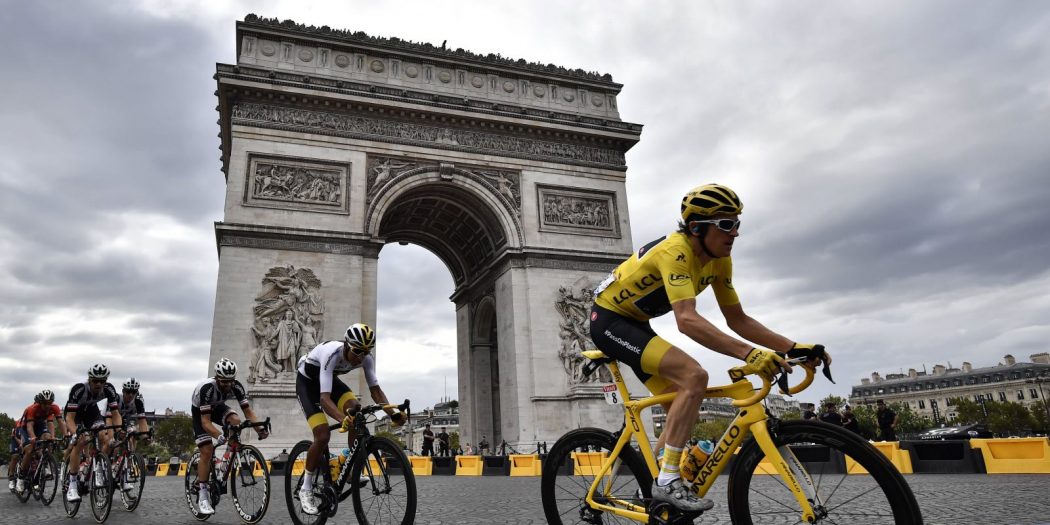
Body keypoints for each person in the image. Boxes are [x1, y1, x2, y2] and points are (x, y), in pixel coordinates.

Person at [589, 183, 830, 513]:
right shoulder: (675, 252)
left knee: (682, 395)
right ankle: (668, 481)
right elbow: (686, 321)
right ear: (697, 228)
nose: (736, 233)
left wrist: (793, 347)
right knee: (694, 375)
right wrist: (750, 353)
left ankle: (655, 484)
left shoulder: (719, 261)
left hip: (638, 323)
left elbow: (738, 319)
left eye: (737, 224)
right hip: (609, 320)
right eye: (726, 225)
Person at [294, 323, 405, 516]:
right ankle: (306, 487)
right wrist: (342, 418)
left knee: (356, 411)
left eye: (365, 352)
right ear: (346, 345)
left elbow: (376, 391)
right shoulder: (331, 353)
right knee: (322, 435)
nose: (360, 358)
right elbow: (324, 399)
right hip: (307, 383)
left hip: (328, 381)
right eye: (357, 352)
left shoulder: (365, 358)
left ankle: (350, 468)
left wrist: (392, 413)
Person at [190, 358, 269, 515]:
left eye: (230, 381)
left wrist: (259, 428)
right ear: (217, 378)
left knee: (236, 420)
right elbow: (205, 422)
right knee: (206, 450)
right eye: (224, 382)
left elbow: (248, 412)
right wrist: (219, 435)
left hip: (218, 407)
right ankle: (203, 494)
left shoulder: (236, 386)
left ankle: (226, 459)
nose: (228, 385)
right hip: (200, 412)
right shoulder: (207, 389)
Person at [64, 364, 122, 503]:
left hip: (91, 413)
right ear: (89, 379)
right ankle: (72, 483)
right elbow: (69, 418)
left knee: (103, 435)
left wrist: (119, 431)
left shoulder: (109, 389)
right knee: (80, 440)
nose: (99, 384)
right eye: (95, 380)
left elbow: (115, 414)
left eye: (102, 381)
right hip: (75, 414)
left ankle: (99, 469)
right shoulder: (79, 389)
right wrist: (75, 433)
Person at [14, 390, 61, 493]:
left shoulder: (53, 408)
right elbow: (30, 427)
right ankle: (20, 478)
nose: (47, 406)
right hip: (25, 427)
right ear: (39, 402)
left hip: (39, 426)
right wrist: (33, 437)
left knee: (48, 438)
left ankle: (45, 463)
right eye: (45, 403)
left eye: (50, 403)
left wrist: (53, 436)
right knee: (30, 450)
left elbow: (52, 423)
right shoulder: (32, 409)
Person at [117, 378, 151, 491]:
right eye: (128, 392)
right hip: (111, 419)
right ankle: (106, 466)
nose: (131, 395)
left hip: (125, 421)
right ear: (123, 391)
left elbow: (142, 421)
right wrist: (117, 432)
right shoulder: (117, 399)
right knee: (110, 441)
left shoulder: (138, 402)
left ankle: (126, 470)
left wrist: (145, 436)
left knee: (132, 436)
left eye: (134, 392)